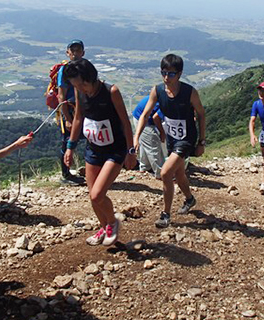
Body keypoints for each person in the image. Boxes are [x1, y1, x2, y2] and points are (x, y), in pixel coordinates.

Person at [62, 59, 136, 246]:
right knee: (93, 197)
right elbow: (78, 118)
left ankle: (112, 222)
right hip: (93, 148)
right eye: (76, 85)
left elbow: (125, 123)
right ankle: (104, 228)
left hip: (114, 149)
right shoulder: (80, 92)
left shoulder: (112, 92)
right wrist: (70, 146)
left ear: (91, 77)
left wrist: (131, 151)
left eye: (83, 83)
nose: (80, 88)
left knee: (97, 195)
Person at [134, 54, 206, 228]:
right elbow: (146, 114)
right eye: (164, 73)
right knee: (179, 173)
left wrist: (201, 142)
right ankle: (189, 199)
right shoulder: (157, 91)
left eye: (171, 74)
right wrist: (136, 136)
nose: (167, 77)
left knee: (166, 173)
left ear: (179, 74)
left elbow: (201, 114)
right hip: (172, 137)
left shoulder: (189, 92)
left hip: (187, 138)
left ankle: (165, 214)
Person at [57, 39, 86, 185]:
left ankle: (90, 169)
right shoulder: (64, 70)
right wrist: (67, 119)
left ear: (83, 52)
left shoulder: (86, 67)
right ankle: (66, 175)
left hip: (84, 108)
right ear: (67, 53)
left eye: (78, 50)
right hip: (70, 109)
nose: (75, 53)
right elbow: (61, 96)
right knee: (68, 142)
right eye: (72, 50)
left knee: (90, 138)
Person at [132, 95, 167, 179]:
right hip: (143, 119)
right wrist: (162, 132)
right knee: (153, 144)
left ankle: (145, 167)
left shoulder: (164, 96)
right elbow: (156, 118)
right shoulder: (168, 102)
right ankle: (161, 173)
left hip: (139, 116)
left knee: (146, 142)